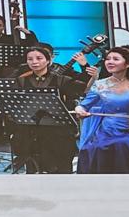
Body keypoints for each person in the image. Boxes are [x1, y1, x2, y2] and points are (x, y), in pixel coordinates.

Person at [10, 44, 87, 174]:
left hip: (58, 131)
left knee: (61, 166)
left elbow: (82, 88)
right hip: (31, 131)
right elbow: (14, 104)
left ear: (48, 61)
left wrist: (84, 67)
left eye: (39, 58)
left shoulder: (62, 80)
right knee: (32, 166)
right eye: (30, 59)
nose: (34, 62)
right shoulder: (21, 81)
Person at [74, 47, 129, 174]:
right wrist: (79, 110)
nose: (110, 62)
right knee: (99, 147)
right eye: (108, 59)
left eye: (116, 59)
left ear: (128, 64)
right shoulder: (100, 84)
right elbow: (83, 105)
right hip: (107, 131)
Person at [0, 13, 38, 140]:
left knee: (17, 106)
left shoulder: (12, 39)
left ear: (3, 26)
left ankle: (16, 133)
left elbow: (33, 45)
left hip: (14, 78)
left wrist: (28, 33)